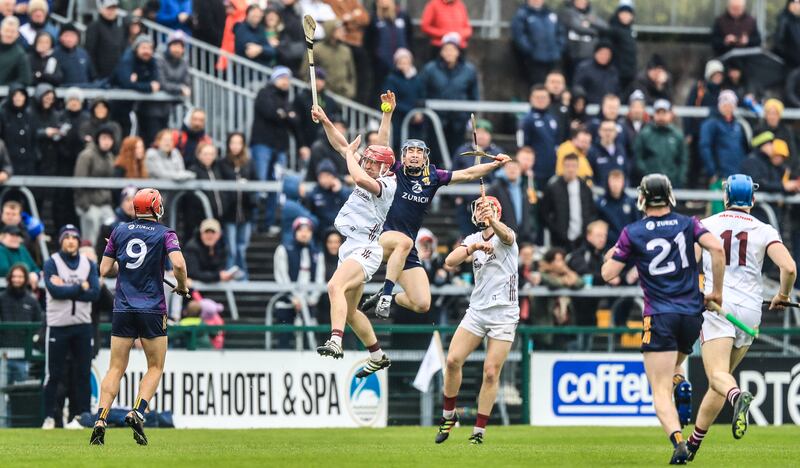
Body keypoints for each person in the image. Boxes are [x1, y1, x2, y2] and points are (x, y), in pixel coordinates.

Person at [601, 174, 726, 465]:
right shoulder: (689, 223)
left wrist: (613, 254)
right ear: (670, 196)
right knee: (674, 368)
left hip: (659, 315)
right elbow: (717, 249)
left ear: (642, 198)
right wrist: (715, 292)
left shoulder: (633, 231)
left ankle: (679, 443)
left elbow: (609, 274)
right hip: (692, 316)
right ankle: (680, 381)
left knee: (658, 390)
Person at [362, 102, 510, 319]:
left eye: (418, 152)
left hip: (406, 247)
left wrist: (495, 164)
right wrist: (387, 114)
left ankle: (387, 297)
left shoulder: (433, 176)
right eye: (410, 151)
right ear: (403, 156)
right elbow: (381, 146)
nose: (414, 155)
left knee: (422, 302)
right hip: (382, 238)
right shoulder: (395, 171)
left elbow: (468, 173)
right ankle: (386, 293)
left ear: (425, 157)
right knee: (403, 242)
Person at [688, 174, 797, 460]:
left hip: (718, 305)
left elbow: (689, 262)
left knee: (718, 377)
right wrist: (783, 296)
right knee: (721, 379)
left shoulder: (706, 225)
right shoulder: (764, 229)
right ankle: (692, 445)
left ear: (725, 198)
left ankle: (738, 397)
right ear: (752, 199)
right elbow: (789, 269)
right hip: (750, 313)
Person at [91, 189, 188, 446]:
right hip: (152, 309)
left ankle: (101, 418)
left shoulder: (119, 231)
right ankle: (138, 411)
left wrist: (120, 259)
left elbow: (104, 270)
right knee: (155, 366)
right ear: (156, 207)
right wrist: (182, 286)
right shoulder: (166, 233)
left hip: (122, 307)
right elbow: (178, 264)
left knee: (115, 368)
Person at [311, 95, 397, 373]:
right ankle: (377, 354)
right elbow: (340, 144)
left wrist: (350, 155)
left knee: (334, 286)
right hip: (352, 246)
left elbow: (358, 176)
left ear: (384, 167)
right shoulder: (376, 163)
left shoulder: (386, 182)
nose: (367, 164)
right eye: (366, 160)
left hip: (367, 248)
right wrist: (325, 121)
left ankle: (335, 341)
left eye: (373, 162)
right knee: (349, 311)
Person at [435, 196, 517, 445]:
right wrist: (474, 249)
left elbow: (507, 238)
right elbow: (449, 262)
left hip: (504, 313)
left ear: (497, 213)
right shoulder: (472, 239)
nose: (483, 213)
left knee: (491, 372)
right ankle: (449, 415)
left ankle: (479, 431)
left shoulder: (506, 234)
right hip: (478, 311)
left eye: (489, 209)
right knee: (452, 361)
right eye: (480, 209)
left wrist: (492, 218)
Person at [42, 225, 102, 430]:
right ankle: (49, 417)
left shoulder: (89, 264)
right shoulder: (52, 263)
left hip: (82, 326)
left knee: (83, 373)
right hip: (58, 326)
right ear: (60, 241)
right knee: (54, 374)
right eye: (66, 237)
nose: (70, 241)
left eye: (74, 237)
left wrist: (67, 288)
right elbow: (54, 292)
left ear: (78, 241)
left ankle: (83, 417)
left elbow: (94, 294)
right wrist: (80, 287)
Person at [250, 66, 299, 228]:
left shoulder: (286, 99)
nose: (286, 81)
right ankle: (254, 220)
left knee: (276, 186)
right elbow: (270, 112)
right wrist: (285, 114)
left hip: (279, 147)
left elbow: (294, 121)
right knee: (260, 184)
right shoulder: (264, 93)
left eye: (288, 78)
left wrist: (284, 113)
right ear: (274, 79)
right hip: (262, 145)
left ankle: (269, 222)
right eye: (282, 78)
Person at [420, 32, 479, 164]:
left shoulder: (469, 70)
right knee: (435, 154)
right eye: (446, 50)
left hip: (459, 119)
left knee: (457, 152)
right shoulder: (430, 69)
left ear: (458, 52)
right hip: (436, 119)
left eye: (453, 50)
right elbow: (422, 91)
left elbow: (474, 95)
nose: (449, 53)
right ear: (441, 52)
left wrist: (471, 115)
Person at [273, 217, 325, 349]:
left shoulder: (317, 253)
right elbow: (281, 276)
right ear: (295, 232)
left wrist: (312, 298)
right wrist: (293, 298)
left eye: (308, 230)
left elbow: (320, 277)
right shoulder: (283, 249)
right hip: (287, 303)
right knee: (284, 340)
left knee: (310, 340)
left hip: (309, 303)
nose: (304, 233)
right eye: (301, 230)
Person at [112, 35, 162, 146]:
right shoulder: (127, 59)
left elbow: (156, 82)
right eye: (144, 48)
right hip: (117, 105)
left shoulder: (151, 61)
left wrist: (138, 82)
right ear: (136, 48)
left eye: (149, 48)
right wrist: (147, 86)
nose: (147, 51)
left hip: (135, 108)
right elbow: (126, 83)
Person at [541, 153, 597, 250]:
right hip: (559, 241)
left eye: (574, 166)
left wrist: (586, 229)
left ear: (578, 167)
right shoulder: (553, 187)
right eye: (568, 166)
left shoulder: (585, 188)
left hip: (582, 240)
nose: (571, 169)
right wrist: (556, 230)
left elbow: (592, 211)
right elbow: (544, 213)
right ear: (562, 166)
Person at [74, 126, 117, 247]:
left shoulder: (110, 157)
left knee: (114, 229)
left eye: (109, 139)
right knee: (90, 238)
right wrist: (84, 206)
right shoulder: (86, 155)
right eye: (104, 138)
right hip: (89, 204)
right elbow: (78, 182)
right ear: (97, 139)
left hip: (105, 204)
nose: (106, 142)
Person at [221, 132, 256, 279]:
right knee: (232, 248)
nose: (235, 146)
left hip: (246, 211)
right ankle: (230, 274)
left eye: (238, 143)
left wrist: (247, 187)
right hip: (229, 211)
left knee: (242, 247)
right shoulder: (223, 162)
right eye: (233, 143)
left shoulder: (249, 163)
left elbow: (257, 181)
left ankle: (243, 276)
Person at [0, 264, 42, 382]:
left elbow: (39, 324)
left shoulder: (32, 301)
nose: (16, 279)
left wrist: (33, 340)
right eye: (14, 276)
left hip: (24, 354)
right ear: (9, 278)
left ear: (25, 279)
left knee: (19, 391)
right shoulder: (1, 298)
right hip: (3, 353)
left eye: (20, 277)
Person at [634, 99, 688, 188]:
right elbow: (638, 157)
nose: (661, 116)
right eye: (658, 112)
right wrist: (646, 175)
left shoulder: (677, 135)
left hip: (671, 184)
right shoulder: (645, 134)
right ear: (654, 114)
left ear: (670, 114)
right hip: (649, 184)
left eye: (664, 112)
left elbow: (683, 160)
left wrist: (679, 179)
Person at [511, 0, 564, 87]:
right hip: (534, 59)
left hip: (553, 57)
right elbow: (519, 35)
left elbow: (560, 32)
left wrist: (559, 48)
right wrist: (530, 50)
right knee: (538, 86)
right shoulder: (522, 14)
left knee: (555, 86)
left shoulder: (551, 14)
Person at [699, 90, 749, 184]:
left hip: (738, 174)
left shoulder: (739, 125)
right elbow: (705, 147)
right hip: (720, 176)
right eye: (724, 105)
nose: (727, 108)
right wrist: (712, 172)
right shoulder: (711, 124)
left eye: (730, 105)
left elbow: (745, 148)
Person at [365, 0, 412, 97]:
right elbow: (368, 41)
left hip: (401, 63)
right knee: (380, 92)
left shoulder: (403, 16)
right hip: (380, 65)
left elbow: (409, 37)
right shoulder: (374, 19)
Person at [382, 48, 424, 150]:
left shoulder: (417, 79)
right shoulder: (391, 79)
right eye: (401, 62)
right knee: (397, 145)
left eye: (406, 62)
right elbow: (391, 99)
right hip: (398, 119)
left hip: (415, 122)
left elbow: (422, 96)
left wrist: (419, 112)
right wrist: (411, 112)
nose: (404, 65)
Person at [301, 20, 356, 99]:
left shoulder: (346, 50)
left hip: (343, 95)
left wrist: (350, 90)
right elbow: (305, 72)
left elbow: (351, 74)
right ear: (331, 31)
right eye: (339, 30)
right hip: (324, 95)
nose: (343, 32)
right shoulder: (317, 49)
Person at [154, 31, 191, 144]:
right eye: (174, 45)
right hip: (154, 108)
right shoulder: (160, 60)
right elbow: (162, 83)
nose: (177, 49)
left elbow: (187, 83)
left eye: (180, 46)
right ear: (169, 46)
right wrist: (179, 88)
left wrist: (181, 88)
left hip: (170, 107)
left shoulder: (184, 63)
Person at [487, 157, 536, 244]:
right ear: (504, 170)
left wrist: (529, 232)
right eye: (509, 168)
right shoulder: (495, 188)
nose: (512, 171)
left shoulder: (524, 187)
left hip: (522, 237)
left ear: (520, 170)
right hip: (502, 238)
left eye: (515, 168)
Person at [519, 84, 559, 188]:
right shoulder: (526, 120)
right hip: (535, 171)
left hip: (552, 170)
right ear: (531, 99)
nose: (541, 100)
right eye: (537, 97)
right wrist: (527, 167)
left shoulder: (552, 118)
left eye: (544, 97)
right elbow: (522, 145)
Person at [559, 0, 607, 82]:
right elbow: (578, 27)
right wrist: (595, 31)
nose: (582, 2)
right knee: (573, 81)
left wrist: (589, 23)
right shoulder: (567, 13)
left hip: (589, 56)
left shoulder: (590, 14)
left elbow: (605, 27)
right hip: (573, 56)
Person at [308, 159, 352, 239]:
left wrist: (340, 191)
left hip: (341, 234)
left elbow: (351, 207)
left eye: (327, 176)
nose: (324, 180)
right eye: (321, 176)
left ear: (334, 176)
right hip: (322, 235)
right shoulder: (314, 193)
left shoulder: (343, 191)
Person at [0, 83, 36, 175]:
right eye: (15, 95)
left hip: (27, 163)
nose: (18, 98)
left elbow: (33, 138)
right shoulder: (3, 115)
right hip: (9, 163)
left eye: (21, 95)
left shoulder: (29, 115)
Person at [84, 0, 126, 80]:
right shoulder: (94, 26)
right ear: (101, 9)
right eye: (108, 8)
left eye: (113, 9)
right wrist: (94, 75)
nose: (111, 11)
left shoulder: (118, 28)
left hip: (116, 76)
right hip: (100, 77)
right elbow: (89, 52)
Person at [597, 169, 638, 248]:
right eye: (613, 181)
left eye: (618, 181)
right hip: (607, 247)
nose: (615, 184)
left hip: (628, 247)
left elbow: (636, 225)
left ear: (623, 183)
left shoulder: (630, 202)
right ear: (608, 182)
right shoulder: (600, 203)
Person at [183, 218, 232, 283]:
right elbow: (193, 273)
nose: (209, 235)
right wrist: (218, 276)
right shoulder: (192, 247)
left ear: (219, 234)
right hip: (191, 289)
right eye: (206, 232)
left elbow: (220, 270)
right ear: (201, 233)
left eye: (213, 232)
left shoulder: (222, 248)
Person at [606, 0, 636, 90]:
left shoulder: (630, 31)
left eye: (628, 14)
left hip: (629, 74)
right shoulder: (613, 30)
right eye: (623, 13)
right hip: (617, 74)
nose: (625, 16)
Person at [589, 119, 628, 186]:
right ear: (599, 132)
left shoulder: (621, 150)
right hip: (599, 192)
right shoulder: (592, 151)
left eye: (611, 130)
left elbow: (625, 172)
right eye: (605, 130)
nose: (608, 133)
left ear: (616, 133)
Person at [0, 16, 31, 85]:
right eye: (6, 30)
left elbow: (26, 79)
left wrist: (5, 86)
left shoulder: (20, 54)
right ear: (1, 31)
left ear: (17, 34)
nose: (9, 34)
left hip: (6, 94)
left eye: (12, 31)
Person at [775, 0, 800, 69]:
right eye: (796, 3)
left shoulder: (797, 20)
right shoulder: (784, 20)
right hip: (789, 65)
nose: (798, 6)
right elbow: (779, 43)